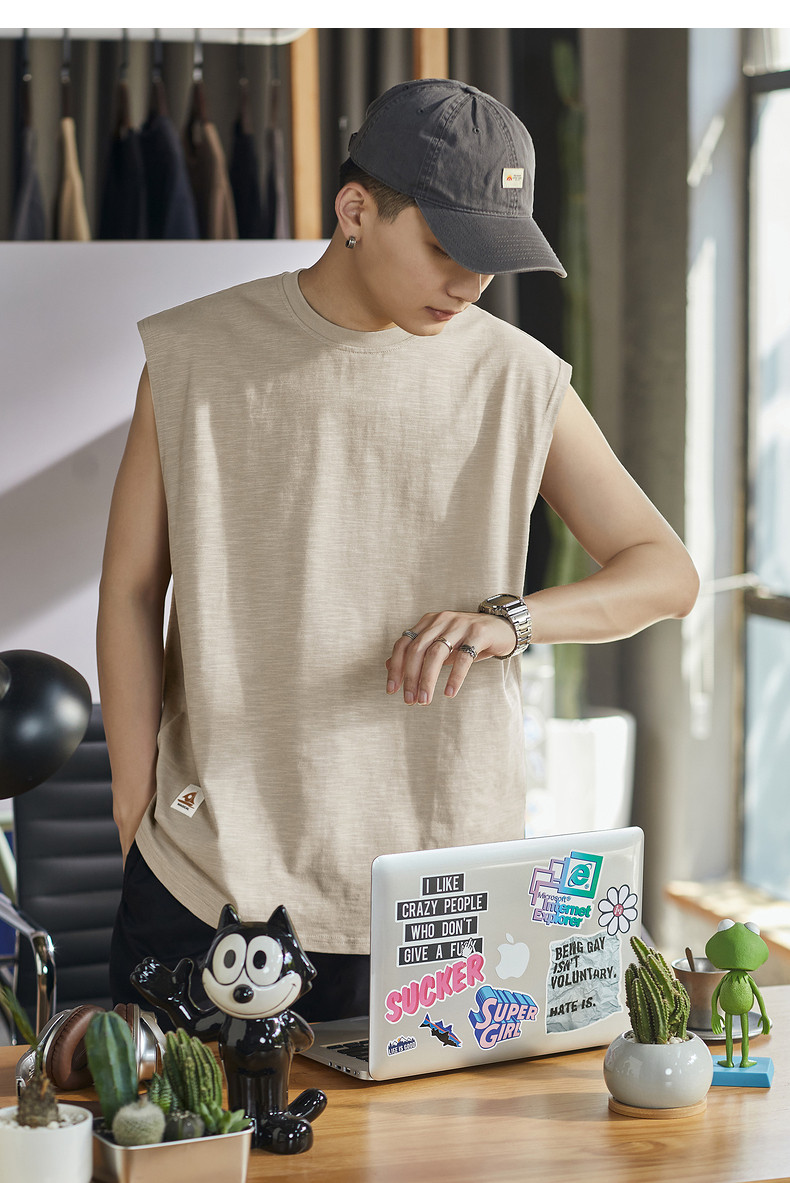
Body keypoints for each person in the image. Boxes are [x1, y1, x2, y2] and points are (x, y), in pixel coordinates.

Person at [98, 78, 698, 1021]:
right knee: (182, 1120)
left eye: (492, 259)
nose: (470, 283)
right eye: (446, 248)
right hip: (208, 883)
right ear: (355, 211)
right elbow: (135, 588)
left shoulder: (517, 377)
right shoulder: (193, 355)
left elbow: (665, 571)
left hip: (444, 898)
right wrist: (133, 809)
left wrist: (511, 622)